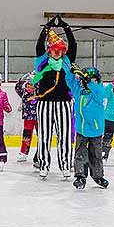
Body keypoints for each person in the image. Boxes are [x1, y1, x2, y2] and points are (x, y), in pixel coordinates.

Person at [33, 16, 77, 179]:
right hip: (44, 104)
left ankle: (65, 165)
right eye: (54, 50)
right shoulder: (42, 62)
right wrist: (46, 28)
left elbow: (73, 45)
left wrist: (66, 28)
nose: (57, 52)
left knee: (64, 136)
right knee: (44, 136)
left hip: (64, 104)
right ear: (49, 50)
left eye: (60, 50)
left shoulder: (67, 62)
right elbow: (38, 45)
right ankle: (44, 165)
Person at [66, 64, 109, 189]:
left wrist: (89, 82)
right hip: (81, 130)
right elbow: (69, 81)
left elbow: (99, 91)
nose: (90, 83)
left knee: (96, 155)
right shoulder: (79, 92)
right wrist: (71, 72)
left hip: (95, 130)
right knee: (80, 153)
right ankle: (80, 176)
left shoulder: (98, 92)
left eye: (94, 80)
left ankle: (98, 176)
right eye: (85, 81)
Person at [14, 71, 39, 164]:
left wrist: (37, 76)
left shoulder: (38, 92)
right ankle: (23, 153)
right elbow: (17, 87)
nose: (30, 88)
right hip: (28, 119)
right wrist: (22, 79)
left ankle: (40, 152)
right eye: (28, 85)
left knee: (41, 136)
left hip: (39, 119)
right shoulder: (23, 92)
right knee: (26, 136)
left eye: (32, 86)